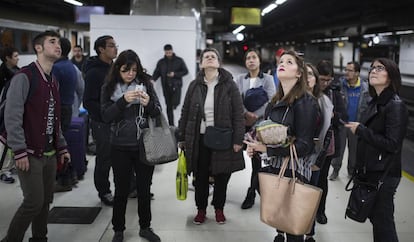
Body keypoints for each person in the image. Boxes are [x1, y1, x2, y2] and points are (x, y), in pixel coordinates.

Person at [0, 30, 70, 242]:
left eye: (58, 42)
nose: (58, 45)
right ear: (38, 48)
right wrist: (19, 151)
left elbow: (54, 118)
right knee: (33, 202)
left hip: (49, 152)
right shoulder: (24, 77)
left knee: (45, 200)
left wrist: (62, 146)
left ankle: (40, 238)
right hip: (29, 153)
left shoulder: (53, 80)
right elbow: (12, 116)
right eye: (52, 41)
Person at [244, 50, 318, 242]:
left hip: (295, 171)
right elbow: (269, 134)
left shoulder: (306, 102)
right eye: (281, 61)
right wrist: (257, 146)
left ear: (299, 73)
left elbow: (305, 146)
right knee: (280, 221)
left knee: (293, 227)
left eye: (289, 62)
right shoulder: (275, 101)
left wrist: (267, 150)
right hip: (275, 168)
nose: (282, 64)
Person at [178, 47, 245, 225]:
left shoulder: (229, 85)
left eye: (213, 56)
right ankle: (201, 210)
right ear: (201, 63)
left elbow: (239, 113)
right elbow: (185, 111)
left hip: (223, 137)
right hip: (199, 138)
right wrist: (182, 136)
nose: (209, 58)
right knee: (200, 176)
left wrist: (238, 139)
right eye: (205, 57)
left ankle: (219, 208)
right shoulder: (194, 85)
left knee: (222, 176)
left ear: (218, 62)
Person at [344, 58, 408, 242]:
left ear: (391, 75)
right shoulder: (377, 102)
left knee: (383, 221)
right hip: (373, 171)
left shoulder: (395, 105)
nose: (373, 71)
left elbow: (392, 144)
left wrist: (362, 131)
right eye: (372, 68)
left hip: (385, 174)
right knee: (377, 219)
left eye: (380, 68)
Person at [101, 49, 161, 242]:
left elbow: (157, 112)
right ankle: (118, 229)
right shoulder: (109, 88)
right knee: (121, 190)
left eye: (134, 70)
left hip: (144, 145)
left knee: (144, 189)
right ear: (118, 69)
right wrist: (122, 101)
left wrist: (148, 103)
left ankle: (145, 227)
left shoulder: (146, 86)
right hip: (119, 146)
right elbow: (105, 116)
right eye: (126, 70)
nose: (130, 74)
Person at [235, 48, 276, 209]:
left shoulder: (268, 79)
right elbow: (237, 99)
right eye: (248, 58)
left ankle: (251, 192)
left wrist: (255, 115)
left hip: (260, 127)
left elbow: (271, 101)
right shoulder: (239, 79)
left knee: (257, 162)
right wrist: (246, 114)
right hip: (244, 125)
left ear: (259, 61)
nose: (251, 60)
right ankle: (260, 191)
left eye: (254, 57)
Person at [83, 35, 118, 206]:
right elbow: (88, 102)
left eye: (115, 45)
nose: (115, 48)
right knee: (105, 158)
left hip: (118, 121)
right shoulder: (94, 72)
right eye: (111, 46)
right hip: (102, 122)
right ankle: (104, 191)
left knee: (124, 155)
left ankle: (131, 186)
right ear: (101, 49)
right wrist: (107, 114)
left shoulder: (115, 68)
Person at [315, 60, 347, 225]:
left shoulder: (334, 93)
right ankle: (305, 210)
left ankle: (320, 211)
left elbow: (343, 116)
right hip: (309, 143)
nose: (326, 83)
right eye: (322, 79)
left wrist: (335, 116)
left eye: (329, 80)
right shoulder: (307, 91)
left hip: (327, 144)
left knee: (321, 180)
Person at [304, 63, 334, 242]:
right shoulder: (291, 98)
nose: (307, 77)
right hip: (292, 157)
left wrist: (318, 160)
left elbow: (326, 134)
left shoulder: (323, 101)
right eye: (304, 74)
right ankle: (282, 231)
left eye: (310, 74)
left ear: (315, 79)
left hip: (313, 159)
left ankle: (309, 232)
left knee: (309, 197)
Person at [329, 61, 370, 180]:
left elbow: (368, 106)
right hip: (342, 123)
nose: (347, 72)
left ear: (357, 73)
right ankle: (335, 170)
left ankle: (352, 171)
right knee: (339, 149)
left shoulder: (365, 88)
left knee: (354, 150)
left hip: (356, 125)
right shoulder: (340, 85)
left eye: (350, 70)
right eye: (346, 70)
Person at [151, 44, 188, 126]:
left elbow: (185, 71)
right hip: (166, 86)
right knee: (168, 106)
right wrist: (153, 79)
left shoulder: (179, 60)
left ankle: (175, 105)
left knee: (176, 102)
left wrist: (175, 74)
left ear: (172, 51)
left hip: (176, 86)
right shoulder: (161, 62)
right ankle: (171, 124)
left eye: (169, 52)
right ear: (165, 52)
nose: (168, 54)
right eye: (167, 52)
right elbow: (157, 72)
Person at [0, 46, 20, 184]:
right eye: (15, 56)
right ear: (7, 58)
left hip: (14, 111)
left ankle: (10, 165)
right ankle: (3, 169)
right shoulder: (2, 74)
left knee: (11, 140)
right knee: (3, 141)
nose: (18, 58)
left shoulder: (18, 72)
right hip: (4, 111)